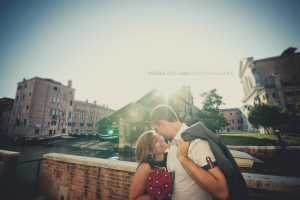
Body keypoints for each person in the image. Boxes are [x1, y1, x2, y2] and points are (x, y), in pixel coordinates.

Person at [149, 104, 230, 200]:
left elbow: (222, 192)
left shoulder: (196, 141)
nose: (159, 134)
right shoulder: (173, 143)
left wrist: (184, 159)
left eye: (156, 129)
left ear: (162, 123)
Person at [129, 130, 168, 200]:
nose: (161, 139)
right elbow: (133, 198)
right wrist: (159, 194)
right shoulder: (145, 167)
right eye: (156, 140)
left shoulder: (170, 156)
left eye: (158, 136)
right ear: (150, 151)